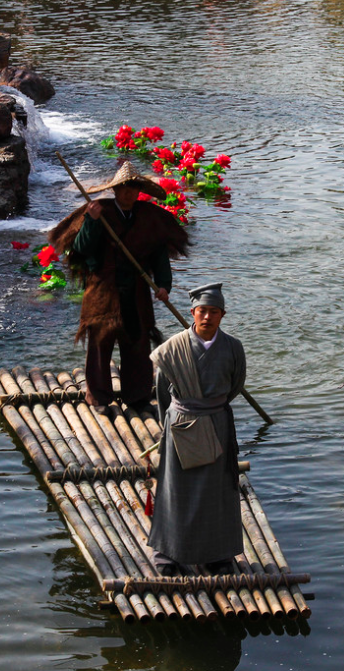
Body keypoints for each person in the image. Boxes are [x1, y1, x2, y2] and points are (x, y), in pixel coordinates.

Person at [49, 161, 189, 413]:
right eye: (124, 188)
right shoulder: (98, 211)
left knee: (137, 343)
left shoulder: (148, 216)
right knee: (100, 345)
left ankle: (137, 397)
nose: (128, 193)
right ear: (115, 190)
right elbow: (81, 248)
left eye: (133, 188)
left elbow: (159, 255)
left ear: (138, 191)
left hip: (136, 290)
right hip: (103, 289)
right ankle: (99, 399)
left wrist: (163, 285)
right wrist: (91, 222)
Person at [147, 282, 246, 576]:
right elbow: (163, 392)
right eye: (202, 311)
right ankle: (168, 553)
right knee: (176, 489)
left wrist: (210, 410)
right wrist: (182, 416)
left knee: (216, 491)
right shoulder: (172, 349)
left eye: (214, 312)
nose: (207, 317)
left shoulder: (232, 347)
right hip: (181, 425)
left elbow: (235, 385)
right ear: (192, 312)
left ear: (222, 315)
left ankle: (217, 556)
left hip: (217, 422)